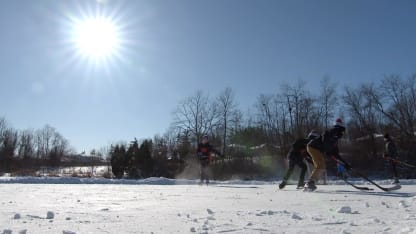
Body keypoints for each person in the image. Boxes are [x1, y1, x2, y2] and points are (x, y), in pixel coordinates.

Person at [304, 118, 351, 191]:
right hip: (313, 147)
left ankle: (311, 182)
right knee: (320, 166)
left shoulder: (335, 140)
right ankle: (310, 183)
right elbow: (325, 138)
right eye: (342, 132)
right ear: (340, 130)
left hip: (316, 149)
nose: (342, 134)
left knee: (322, 166)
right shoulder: (334, 131)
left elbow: (336, 155)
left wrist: (345, 164)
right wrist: (327, 151)